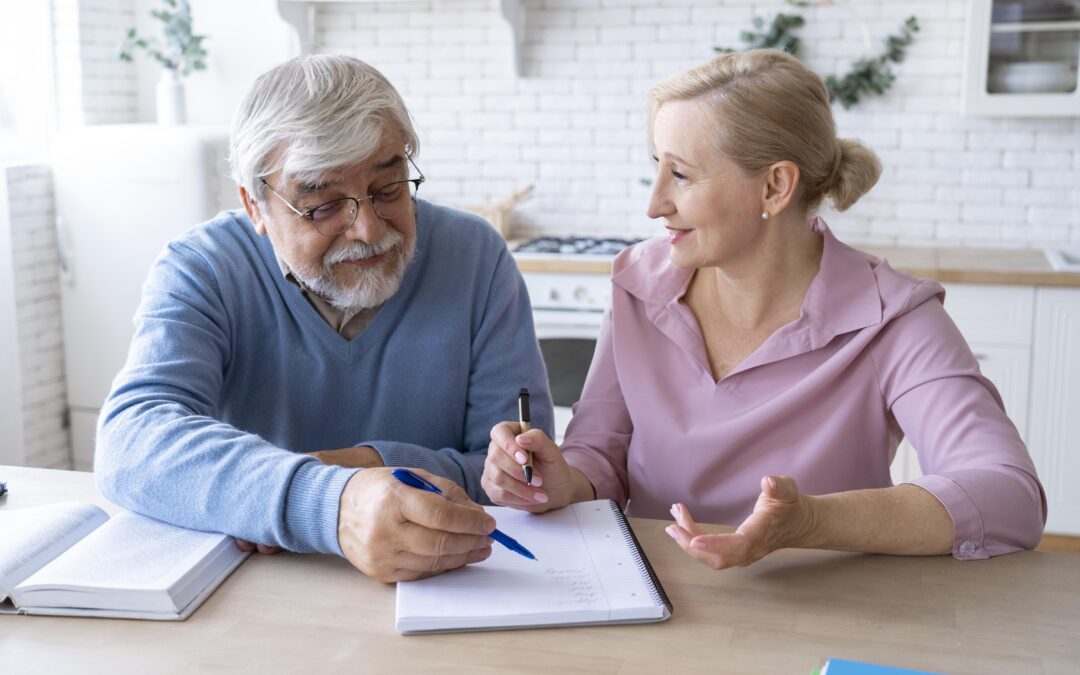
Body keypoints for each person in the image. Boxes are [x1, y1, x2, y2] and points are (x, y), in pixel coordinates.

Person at [483, 50, 1045, 570]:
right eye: (657, 166)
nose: (654, 203)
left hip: (820, 609)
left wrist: (810, 522)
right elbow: (600, 454)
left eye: (680, 174)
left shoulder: (893, 316)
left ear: (774, 187)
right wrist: (561, 481)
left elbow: (1007, 494)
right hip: (650, 594)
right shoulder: (639, 286)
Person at [95, 54, 553, 582]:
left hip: (452, 585)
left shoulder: (476, 256)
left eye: (388, 189)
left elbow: (519, 473)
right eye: (323, 206)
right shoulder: (204, 266)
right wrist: (328, 502)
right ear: (256, 207)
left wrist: (362, 464)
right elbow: (131, 441)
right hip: (259, 594)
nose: (368, 230)